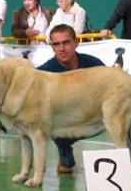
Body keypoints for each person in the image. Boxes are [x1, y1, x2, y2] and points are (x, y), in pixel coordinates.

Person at [37, 24, 105, 174]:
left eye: (66, 42)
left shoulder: (94, 65)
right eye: (56, 44)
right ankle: (65, 155)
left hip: (97, 118)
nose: (62, 48)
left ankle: (126, 158)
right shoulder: (44, 72)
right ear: (52, 47)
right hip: (64, 122)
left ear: (76, 42)